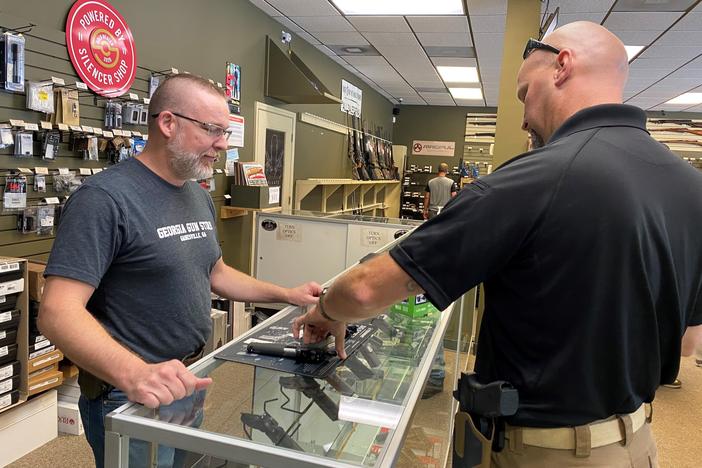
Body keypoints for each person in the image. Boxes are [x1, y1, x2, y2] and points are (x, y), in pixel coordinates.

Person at [292, 21, 702, 467]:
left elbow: (367, 289)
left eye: (525, 93)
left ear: (562, 66)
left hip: (542, 452)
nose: (523, 116)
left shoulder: (532, 178)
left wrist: (324, 311)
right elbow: (686, 343)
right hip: (637, 446)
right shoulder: (690, 186)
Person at [38, 74, 322, 468]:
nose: (222, 144)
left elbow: (215, 272)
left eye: (225, 131)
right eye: (212, 130)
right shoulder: (103, 199)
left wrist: (286, 295)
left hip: (189, 377)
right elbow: (57, 312)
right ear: (168, 123)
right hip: (131, 391)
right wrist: (135, 374)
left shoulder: (194, 193)